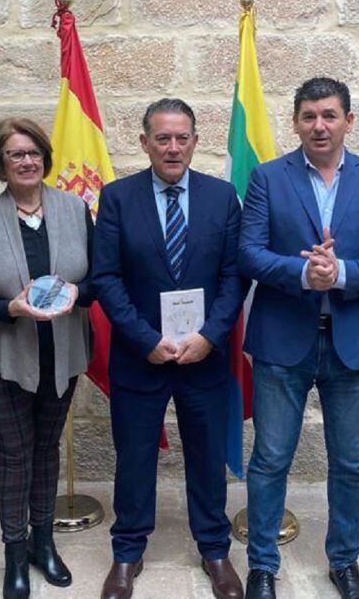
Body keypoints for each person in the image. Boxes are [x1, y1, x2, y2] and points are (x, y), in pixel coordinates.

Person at [238, 77, 359, 599]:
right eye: (308, 116)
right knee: (270, 458)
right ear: (295, 122)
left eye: (329, 115)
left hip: (351, 342)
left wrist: (343, 274)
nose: (319, 126)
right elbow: (249, 252)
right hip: (282, 340)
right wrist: (302, 273)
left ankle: (345, 563)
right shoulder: (268, 178)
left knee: (351, 462)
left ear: (348, 121)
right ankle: (262, 565)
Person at [92, 98, 248, 599]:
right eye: (163, 138)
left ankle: (214, 549)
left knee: (206, 455)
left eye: (182, 137)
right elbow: (107, 278)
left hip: (205, 355)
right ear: (144, 143)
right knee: (134, 456)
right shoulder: (116, 198)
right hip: (141, 356)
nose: (173, 147)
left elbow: (233, 276)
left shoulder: (223, 198)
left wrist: (209, 337)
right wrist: (146, 340)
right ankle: (127, 553)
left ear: (196, 141)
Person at [0, 117, 95, 599]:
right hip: (1, 356)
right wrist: (8, 308)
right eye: (15, 153)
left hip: (63, 351)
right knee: (15, 456)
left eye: (33, 152)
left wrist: (81, 290)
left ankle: (44, 543)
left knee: (46, 449)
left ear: (45, 158)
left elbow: (99, 279)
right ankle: (14, 553)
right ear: (1, 161)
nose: (26, 161)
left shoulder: (76, 210)